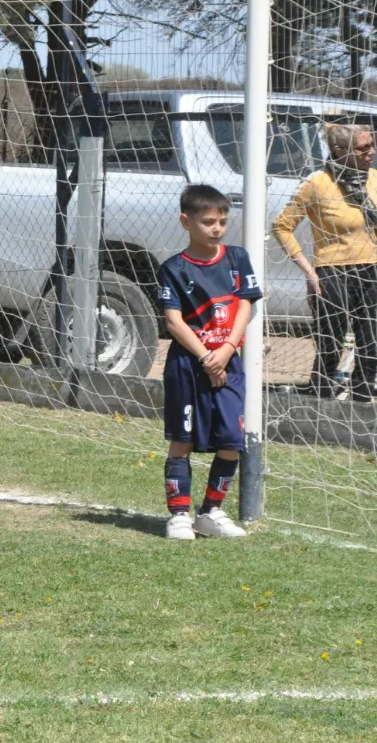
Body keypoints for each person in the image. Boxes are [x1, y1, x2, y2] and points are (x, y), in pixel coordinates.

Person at [157, 184, 262, 541]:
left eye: (222, 221)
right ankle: (179, 515)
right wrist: (205, 356)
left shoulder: (237, 258)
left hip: (228, 363)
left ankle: (212, 511)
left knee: (232, 439)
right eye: (208, 222)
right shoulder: (173, 268)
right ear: (186, 221)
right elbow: (174, 321)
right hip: (189, 366)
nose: (217, 228)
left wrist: (228, 348)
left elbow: (246, 303)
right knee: (183, 439)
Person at [272, 123, 377, 401]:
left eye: (373, 145)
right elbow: (281, 226)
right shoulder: (318, 183)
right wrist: (309, 271)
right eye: (364, 147)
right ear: (341, 151)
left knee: (372, 343)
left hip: (373, 270)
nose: (372, 152)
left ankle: (362, 398)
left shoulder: (374, 179)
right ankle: (319, 397)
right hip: (333, 272)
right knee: (331, 341)